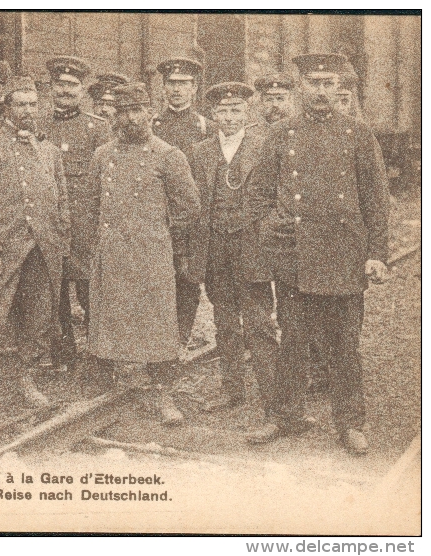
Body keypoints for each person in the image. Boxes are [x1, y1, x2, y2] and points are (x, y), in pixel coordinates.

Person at [246, 53, 389, 454]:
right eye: (314, 83)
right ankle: (284, 416)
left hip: (344, 255)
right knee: (292, 340)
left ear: (338, 87)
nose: (322, 91)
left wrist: (376, 253)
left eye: (329, 83)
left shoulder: (358, 134)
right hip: (296, 257)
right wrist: (269, 227)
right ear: (301, 87)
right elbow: (258, 195)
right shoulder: (282, 134)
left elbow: (376, 200)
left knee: (344, 345)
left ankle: (350, 423)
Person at [87, 82, 200, 425]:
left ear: (150, 113)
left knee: (158, 322)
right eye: (123, 112)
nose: (131, 119)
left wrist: (167, 240)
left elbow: (189, 208)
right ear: (115, 117)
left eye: (138, 111)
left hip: (152, 254)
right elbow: (91, 204)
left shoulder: (169, 155)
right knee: (107, 316)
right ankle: (102, 385)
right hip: (112, 253)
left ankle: (163, 392)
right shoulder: (102, 155)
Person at [0, 75, 70, 411]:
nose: (28, 111)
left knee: (37, 320)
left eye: (33, 104)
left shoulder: (48, 151)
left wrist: (60, 243)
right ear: (6, 107)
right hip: (4, 251)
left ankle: (25, 379)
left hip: (42, 250)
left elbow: (62, 200)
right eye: (20, 104)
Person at [187, 82, 277, 414]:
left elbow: (272, 198)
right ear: (212, 114)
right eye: (222, 111)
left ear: (247, 113)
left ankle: (273, 396)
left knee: (258, 323)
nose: (229, 116)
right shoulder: (200, 151)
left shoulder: (264, 147)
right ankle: (232, 390)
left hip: (251, 248)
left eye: (236, 109)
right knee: (224, 322)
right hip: (215, 251)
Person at [41, 56, 111, 367]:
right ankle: (63, 355)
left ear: (82, 90)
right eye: (60, 84)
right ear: (51, 87)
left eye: (72, 85)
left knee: (90, 293)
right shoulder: (38, 127)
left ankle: (101, 355)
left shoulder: (98, 129)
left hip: (85, 226)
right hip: (49, 224)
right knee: (53, 294)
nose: (65, 90)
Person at [151, 57, 217, 350]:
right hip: (157, 214)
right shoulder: (153, 124)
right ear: (163, 88)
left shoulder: (206, 127)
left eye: (183, 84)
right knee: (157, 274)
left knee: (188, 278)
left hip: (192, 216)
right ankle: (158, 338)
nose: (176, 90)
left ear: (194, 88)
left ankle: (179, 338)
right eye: (171, 84)